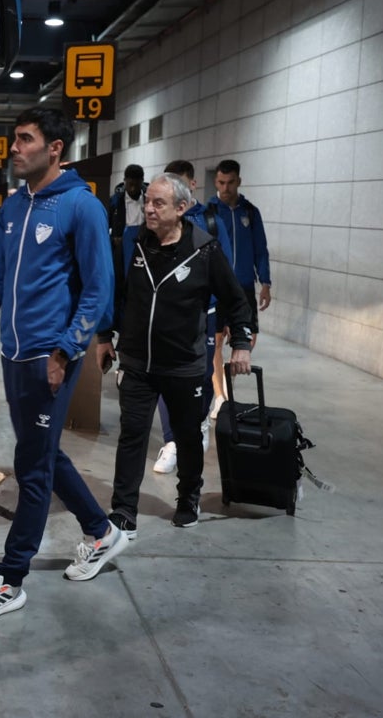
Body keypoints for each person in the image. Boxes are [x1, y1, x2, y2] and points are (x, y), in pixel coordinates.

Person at [0, 107, 126, 621]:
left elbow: (98, 289)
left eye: (25, 139)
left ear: (54, 148)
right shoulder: (12, 207)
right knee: (41, 452)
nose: (14, 148)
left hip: (51, 357)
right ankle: (102, 531)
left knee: (31, 466)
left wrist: (67, 349)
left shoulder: (81, 207)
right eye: (14, 139)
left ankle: (10, 577)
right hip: (12, 354)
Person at [97, 173, 253, 533]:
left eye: (158, 203)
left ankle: (188, 498)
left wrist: (241, 343)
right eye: (148, 201)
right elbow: (114, 292)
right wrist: (105, 336)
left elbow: (235, 299)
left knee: (186, 436)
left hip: (184, 365)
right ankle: (124, 509)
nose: (148, 209)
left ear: (182, 208)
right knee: (132, 436)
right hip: (136, 362)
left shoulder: (204, 249)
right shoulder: (132, 243)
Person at [149, 160, 233, 475]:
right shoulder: (157, 222)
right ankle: (171, 440)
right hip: (167, 314)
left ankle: (198, 425)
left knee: (202, 374)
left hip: (206, 311)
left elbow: (227, 273)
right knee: (163, 375)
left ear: (192, 186)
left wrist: (229, 313)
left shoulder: (211, 221)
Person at [207, 158, 271, 417]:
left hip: (243, 285)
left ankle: (226, 382)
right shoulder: (209, 211)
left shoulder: (250, 212)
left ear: (239, 181)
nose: (225, 187)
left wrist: (265, 282)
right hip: (216, 285)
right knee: (216, 340)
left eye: (230, 182)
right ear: (216, 182)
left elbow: (261, 249)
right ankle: (220, 396)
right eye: (221, 182)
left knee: (247, 339)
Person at [108, 164, 146, 243]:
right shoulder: (115, 201)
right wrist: (113, 240)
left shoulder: (148, 199)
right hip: (122, 244)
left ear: (142, 181)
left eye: (136, 185)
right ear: (125, 180)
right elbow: (106, 226)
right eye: (130, 184)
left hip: (144, 242)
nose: (133, 189)